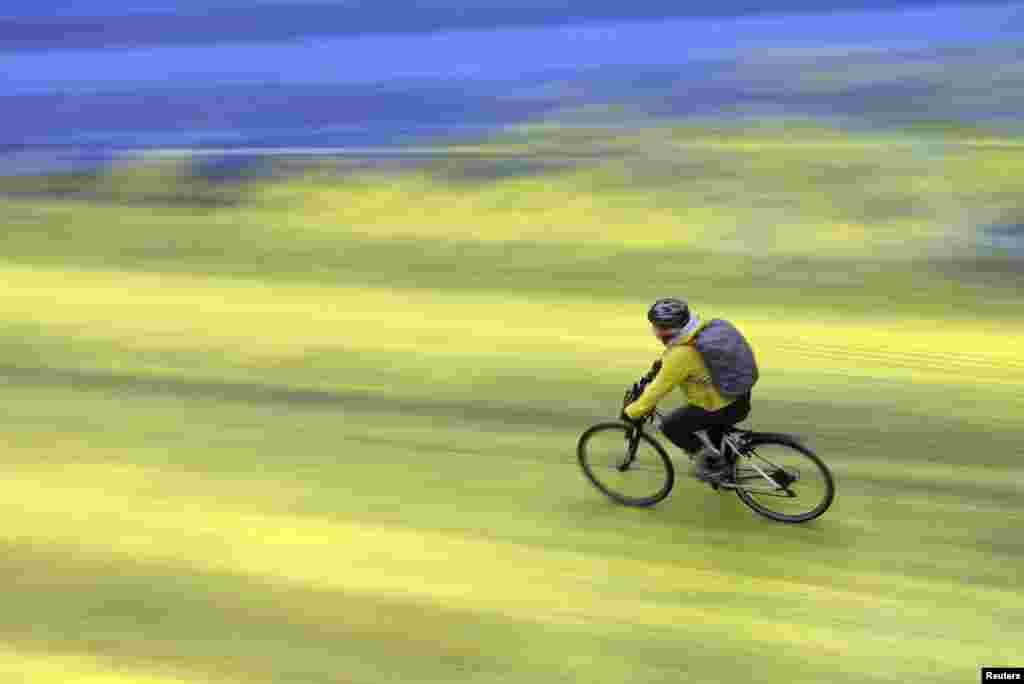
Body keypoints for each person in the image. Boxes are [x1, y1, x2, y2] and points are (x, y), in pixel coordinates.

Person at [620, 298, 752, 481]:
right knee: (715, 434)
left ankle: (709, 464)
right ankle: (726, 472)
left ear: (668, 330)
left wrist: (632, 411)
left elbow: (658, 389)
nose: (654, 331)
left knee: (671, 425)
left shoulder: (681, 355)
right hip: (740, 396)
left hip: (720, 406)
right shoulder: (706, 329)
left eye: (657, 326)